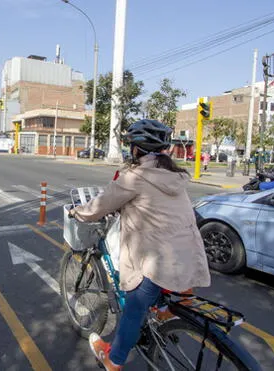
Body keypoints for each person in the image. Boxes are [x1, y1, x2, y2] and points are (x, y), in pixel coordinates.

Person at [69, 119, 211, 370]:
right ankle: (162, 322)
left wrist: (76, 212)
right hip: (190, 257)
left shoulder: (134, 177)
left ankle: (114, 361)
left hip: (158, 263)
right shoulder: (173, 176)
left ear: (136, 150)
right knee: (154, 299)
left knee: (134, 308)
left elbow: (98, 208)